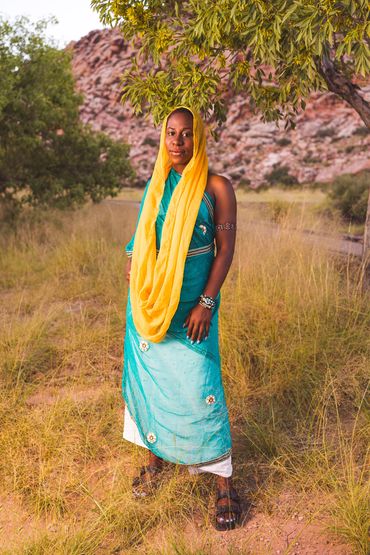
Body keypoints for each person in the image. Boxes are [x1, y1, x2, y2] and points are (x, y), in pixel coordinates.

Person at [122, 106, 240, 531]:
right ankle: (156, 462)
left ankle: (223, 484)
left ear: (199, 138)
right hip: (150, 308)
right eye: (170, 133)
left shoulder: (217, 188)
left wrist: (206, 304)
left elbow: (224, 252)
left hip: (193, 311)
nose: (177, 141)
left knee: (200, 388)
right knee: (155, 386)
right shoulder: (155, 186)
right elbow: (139, 242)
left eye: (186, 134)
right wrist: (135, 276)